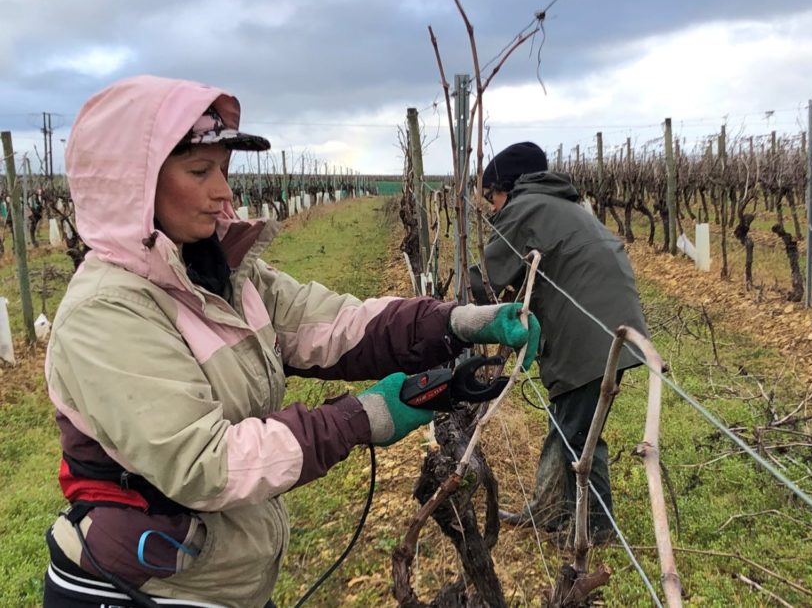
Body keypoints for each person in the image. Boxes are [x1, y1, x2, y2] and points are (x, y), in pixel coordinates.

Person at [42, 75, 540, 608]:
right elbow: (205, 464)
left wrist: (457, 322)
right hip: (139, 588)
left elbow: (334, 325)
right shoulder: (108, 313)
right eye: (199, 171)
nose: (224, 191)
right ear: (133, 184)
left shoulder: (218, 274)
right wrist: (365, 416)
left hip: (217, 578)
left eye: (224, 170)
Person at [469, 142, 647, 544]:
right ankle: (549, 509)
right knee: (568, 420)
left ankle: (597, 528)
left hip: (590, 326)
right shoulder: (558, 205)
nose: (492, 208)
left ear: (508, 188)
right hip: (611, 319)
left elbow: (484, 283)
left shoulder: (524, 207)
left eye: (492, 197)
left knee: (579, 433)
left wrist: (444, 312)